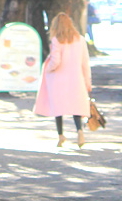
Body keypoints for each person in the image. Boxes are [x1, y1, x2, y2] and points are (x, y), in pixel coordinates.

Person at [33, 12, 93, 148]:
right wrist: (88, 82)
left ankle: (61, 135)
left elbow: (55, 61)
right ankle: (80, 132)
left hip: (58, 80)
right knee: (76, 107)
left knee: (58, 108)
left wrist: (47, 69)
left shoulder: (57, 40)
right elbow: (85, 63)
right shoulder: (81, 40)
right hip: (76, 79)